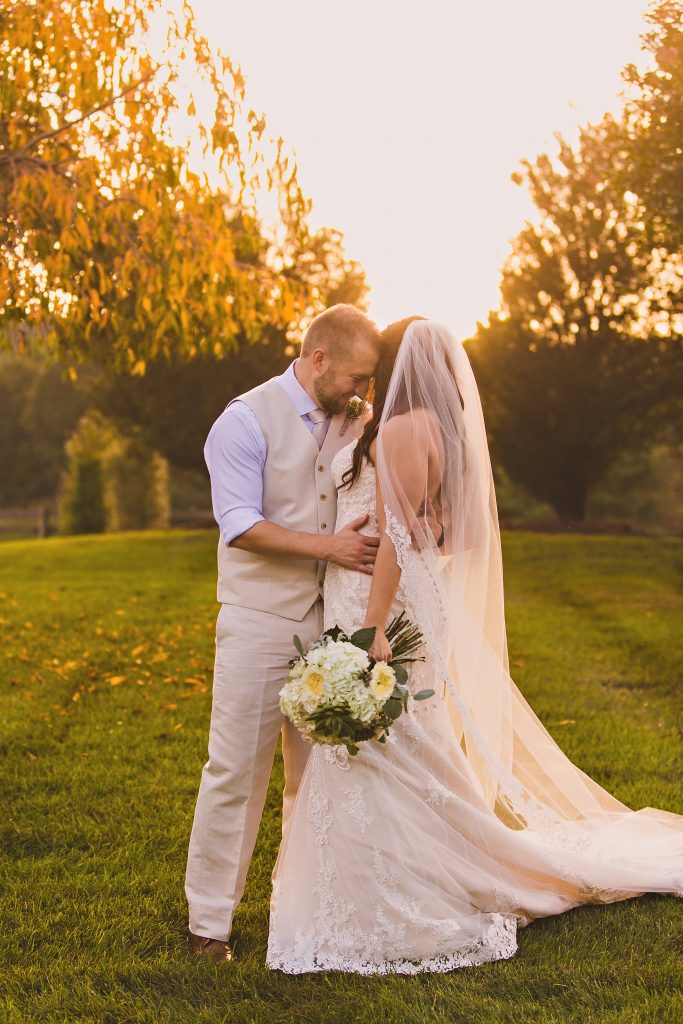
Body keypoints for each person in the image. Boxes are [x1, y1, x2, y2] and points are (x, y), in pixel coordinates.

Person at [266, 317, 683, 975]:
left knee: (384, 744)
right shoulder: (441, 429)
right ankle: (386, 877)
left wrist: (371, 630)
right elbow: (441, 534)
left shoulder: (402, 428)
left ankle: (393, 891)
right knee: (403, 744)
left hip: (381, 605)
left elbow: (401, 544)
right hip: (396, 594)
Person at [185, 304, 381, 961]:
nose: (360, 389)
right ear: (317, 358)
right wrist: (327, 548)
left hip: (331, 624)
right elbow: (239, 523)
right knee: (235, 769)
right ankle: (209, 924)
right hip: (259, 619)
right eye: (354, 375)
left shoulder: (355, 416)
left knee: (318, 776)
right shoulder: (243, 420)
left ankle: (301, 909)